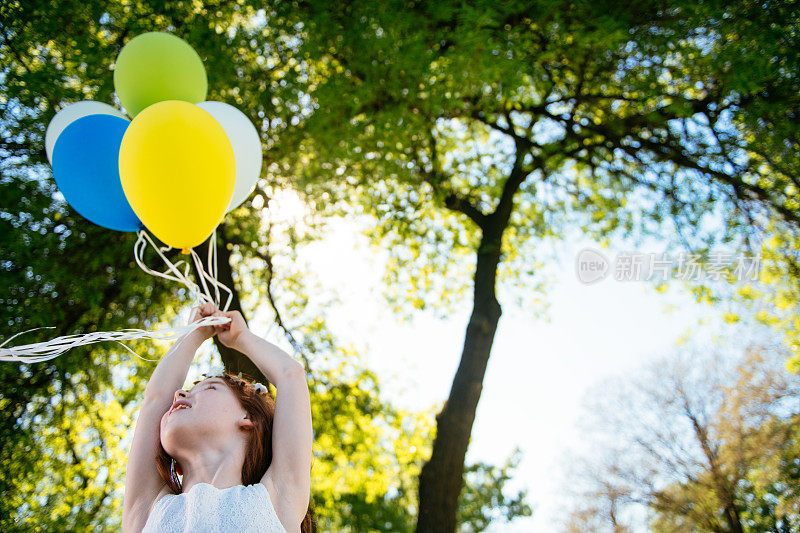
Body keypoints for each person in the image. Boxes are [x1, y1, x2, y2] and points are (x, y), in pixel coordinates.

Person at [121, 302, 316, 532]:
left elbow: (290, 375)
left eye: (210, 387)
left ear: (248, 419)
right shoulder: (148, 510)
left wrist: (242, 337)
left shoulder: (277, 501)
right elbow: (156, 398)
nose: (179, 394)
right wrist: (192, 335)